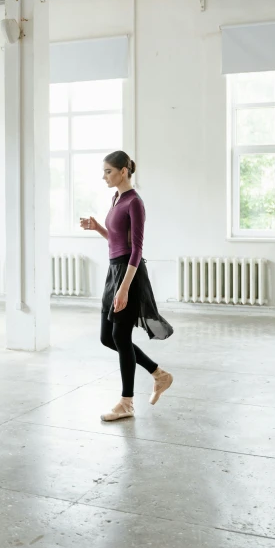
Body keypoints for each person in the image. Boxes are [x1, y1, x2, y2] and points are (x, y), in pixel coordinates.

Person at [80, 150, 174, 422]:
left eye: (108, 171)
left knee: (121, 337)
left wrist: (124, 288)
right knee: (107, 337)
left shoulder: (135, 202)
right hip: (114, 272)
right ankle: (159, 374)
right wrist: (99, 227)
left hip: (129, 275)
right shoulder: (116, 198)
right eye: (104, 171)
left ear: (124, 171)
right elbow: (116, 241)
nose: (104, 176)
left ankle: (127, 402)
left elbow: (136, 249)